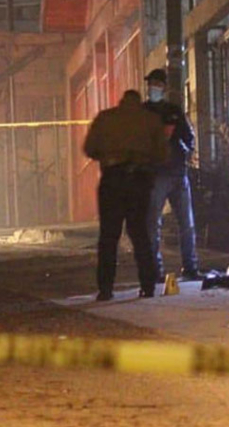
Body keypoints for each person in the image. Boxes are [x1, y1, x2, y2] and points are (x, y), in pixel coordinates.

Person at [84, 90, 169, 301]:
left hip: (112, 179)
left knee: (108, 236)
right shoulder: (150, 120)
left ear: (121, 102)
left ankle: (105, 289)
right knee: (140, 233)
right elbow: (162, 154)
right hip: (139, 180)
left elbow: (90, 148)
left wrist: (110, 154)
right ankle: (148, 286)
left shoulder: (106, 118)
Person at [142, 69, 201, 281]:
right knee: (153, 224)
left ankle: (191, 267)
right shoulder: (143, 112)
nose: (153, 88)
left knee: (186, 223)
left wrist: (184, 152)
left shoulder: (173, 111)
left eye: (157, 84)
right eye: (151, 84)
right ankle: (154, 271)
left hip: (177, 173)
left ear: (164, 87)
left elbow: (189, 136)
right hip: (156, 174)